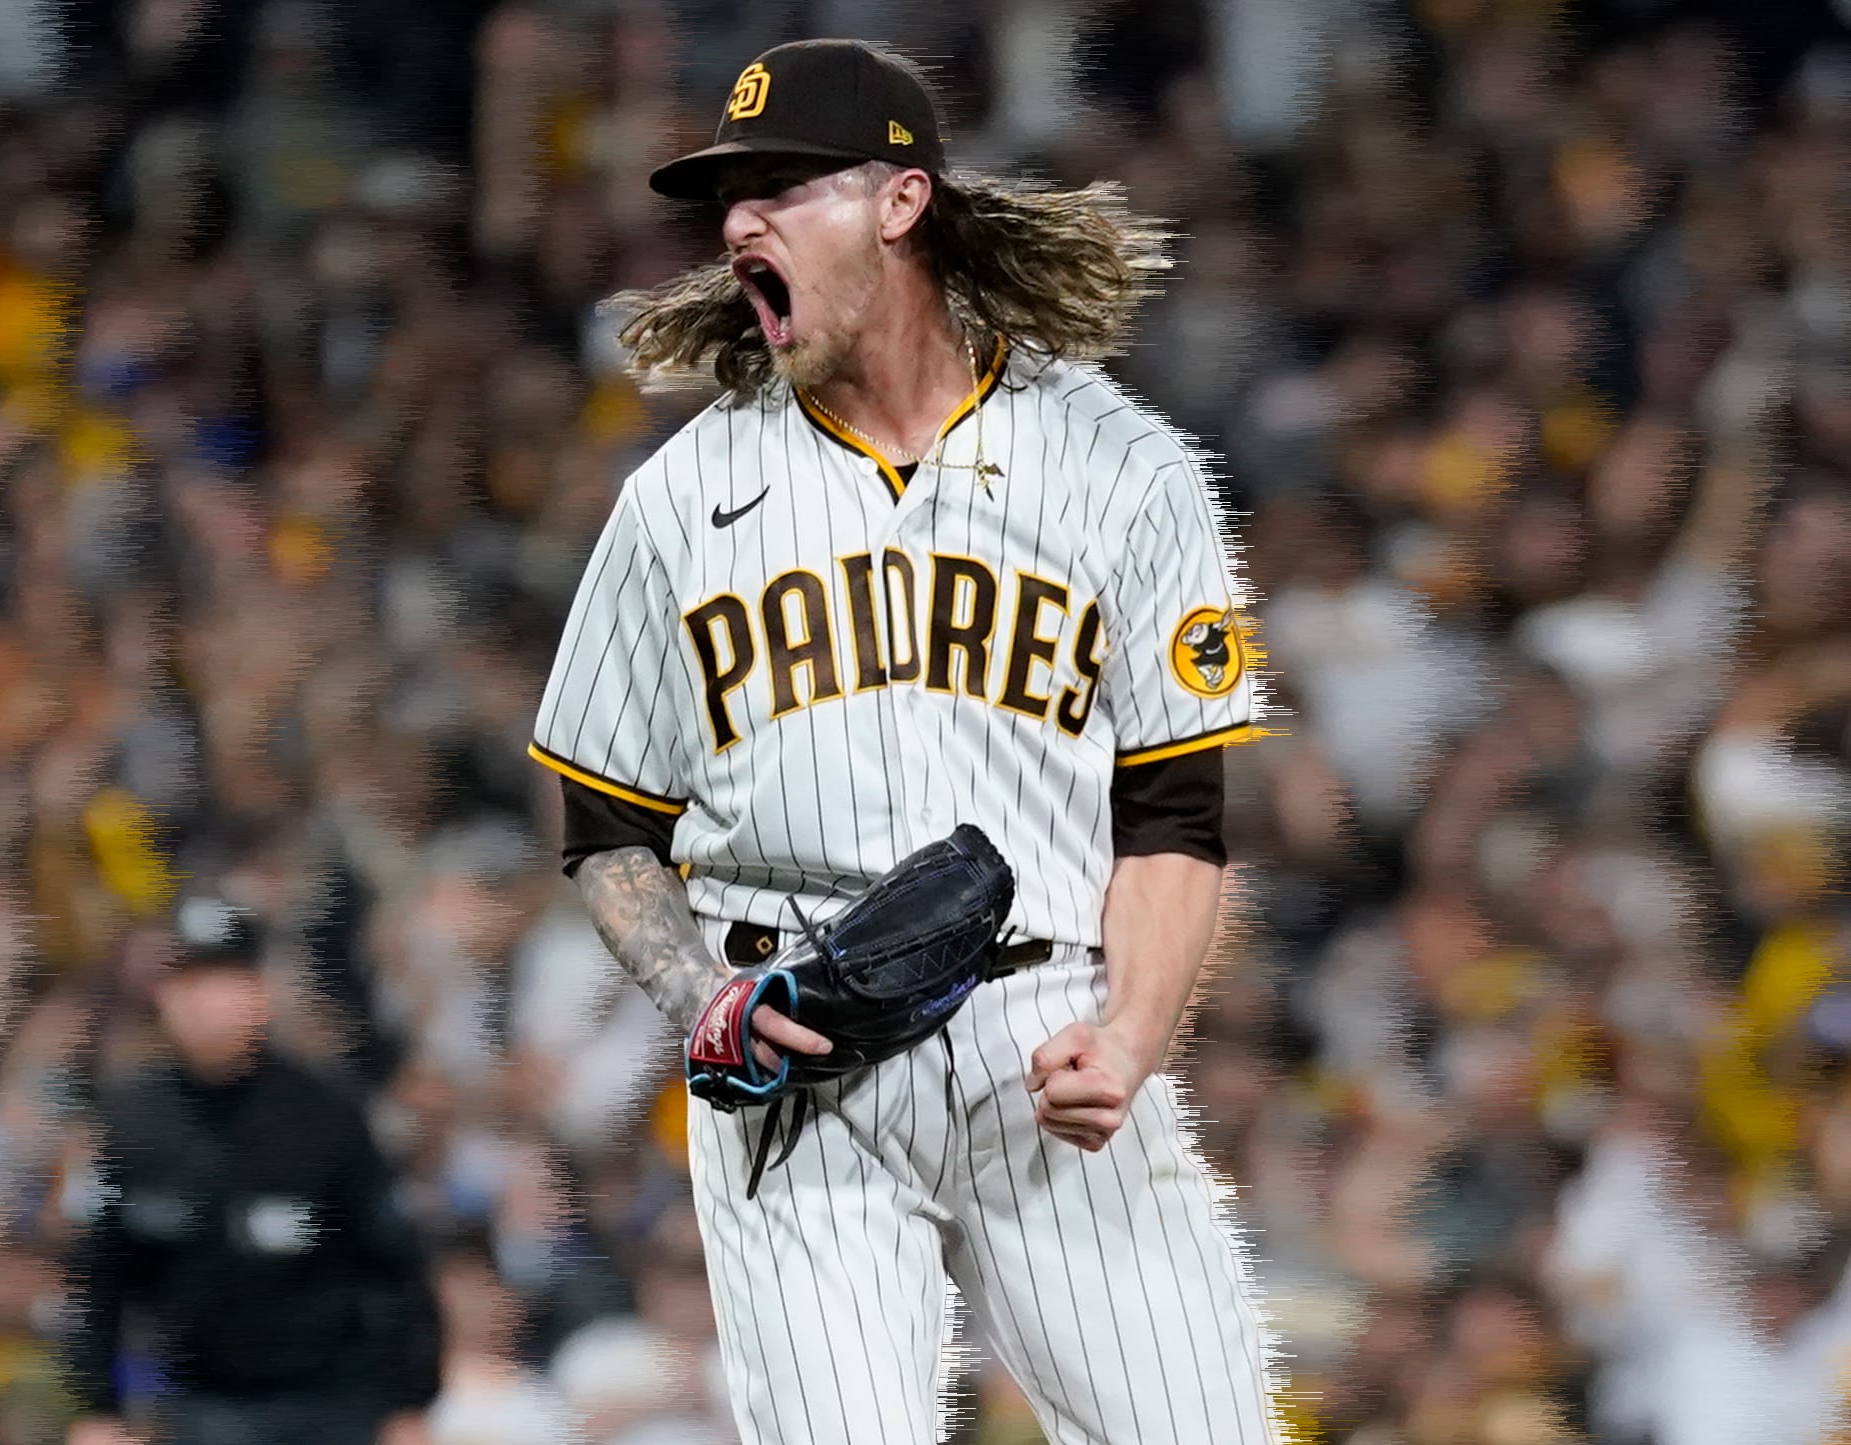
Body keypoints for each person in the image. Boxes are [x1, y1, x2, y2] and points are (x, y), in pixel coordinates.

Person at [531, 37, 1286, 1444]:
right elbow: (607, 828)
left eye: (780, 184)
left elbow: (1177, 815)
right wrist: (703, 995)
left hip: (1044, 1026)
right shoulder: (680, 498)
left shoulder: (1122, 467)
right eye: (727, 197)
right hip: (791, 1039)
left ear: (899, 201)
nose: (739, 221)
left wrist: (1132, 1031)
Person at [62, 895, 443, 1445]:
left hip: (332, 1397)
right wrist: (97, 1408)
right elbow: (97, 1276)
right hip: (200, 1398)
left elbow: (396, 1269)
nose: (207, 1001)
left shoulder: (326, 1115)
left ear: (259, 992)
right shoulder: (130, 1125)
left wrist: (411, 1402)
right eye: (189, 982)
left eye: (227, 980)